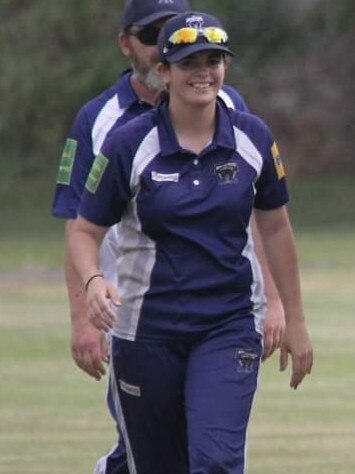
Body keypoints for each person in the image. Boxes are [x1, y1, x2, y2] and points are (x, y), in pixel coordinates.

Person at [69, 11, 313, 473]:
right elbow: (84, 231)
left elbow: (276, 228)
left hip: (228, 326)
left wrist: (294, 319)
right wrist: (93, 280)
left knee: (216, 461)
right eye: (188, 62)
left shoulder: (253, 137)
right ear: (163, 72)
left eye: (213, 60)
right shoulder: (127, 144)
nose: (203, 72)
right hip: (146, 332)